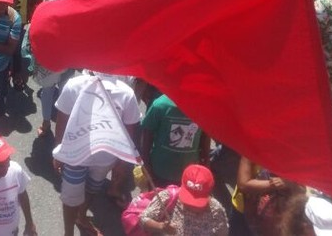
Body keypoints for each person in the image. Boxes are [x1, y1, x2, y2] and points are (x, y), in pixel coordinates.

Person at [54, 73, 141, 236]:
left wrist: (122, 163)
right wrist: (59, 152)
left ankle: (81, 217)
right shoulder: (74, 85)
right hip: (74, 156)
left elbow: (129, 132)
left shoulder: (126, 94)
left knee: (93, 188)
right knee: (71, 198)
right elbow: (62, 120)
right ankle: (68, 233)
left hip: (105, 159)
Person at [141, 93, 209, 187]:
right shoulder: (161, 105)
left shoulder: (203, 107)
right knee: (159, 200)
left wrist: (206, 161)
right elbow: (147, 134)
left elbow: (205, 135)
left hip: (190, 174)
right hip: (160, 171)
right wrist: (145, 163)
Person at [140, 164, 228, 234]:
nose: (192, 206)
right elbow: (143, 219)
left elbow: (222, 233)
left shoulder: (216, 210)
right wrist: (161, 227)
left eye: (198, 202)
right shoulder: (168, 197)